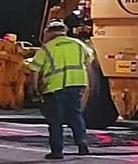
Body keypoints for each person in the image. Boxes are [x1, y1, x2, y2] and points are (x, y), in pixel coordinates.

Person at [29, 21, 96, 159]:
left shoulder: (46, 49)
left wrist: (35, 88)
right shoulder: (79, 45)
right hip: (76, 85)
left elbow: (34, 70)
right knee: (76, 116)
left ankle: (57, 151)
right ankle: (82, 142)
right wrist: (88, 84)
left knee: (55, 120)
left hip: (54, 88)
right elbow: (89, 65)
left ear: (49, 32)